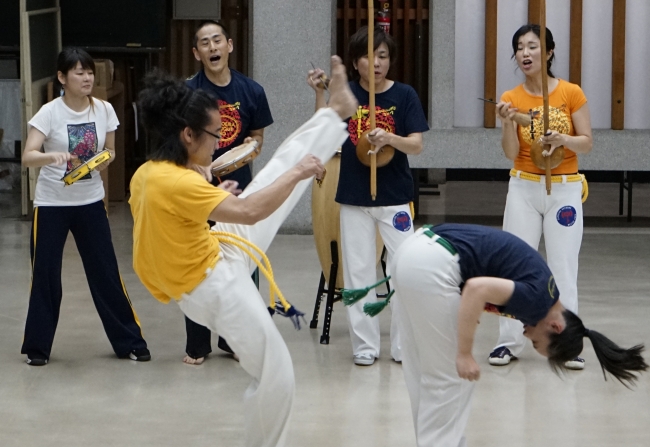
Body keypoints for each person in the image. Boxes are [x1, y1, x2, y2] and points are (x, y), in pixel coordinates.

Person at [130, 56, 356, 447]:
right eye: (214, 134)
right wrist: (300, 174)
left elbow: (174, 215)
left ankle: (335, 114)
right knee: (277, 373)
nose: (220, 142)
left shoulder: (149, 173)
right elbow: (252, 212)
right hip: (214, 287)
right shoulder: (182, 183)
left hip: (211, 252)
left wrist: (214, 195)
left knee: (267, 179)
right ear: (188, 134)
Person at [379, 223, 647, 447]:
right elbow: (476, 289)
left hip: (413, 250)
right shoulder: (536, 301)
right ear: (555, 327)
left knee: (423, 370)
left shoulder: (547, 290)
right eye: (536, 341)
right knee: (452, 375)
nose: (526, 334)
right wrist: (464, 352)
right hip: (431, 265)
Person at [20, 47, 150, 366]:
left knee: (105, 272)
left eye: (89, 71)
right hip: (51, 204)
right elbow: (28, 156)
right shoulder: (49, 113)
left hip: (90, 202)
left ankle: (130, 342)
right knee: (46, 274)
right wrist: (52, 157)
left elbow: (110, 151)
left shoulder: (104, 109)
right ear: (62, 78)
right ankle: (37, 349)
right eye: (78, 72)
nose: (87, 77)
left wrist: (100, 161)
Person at [307, 26, 429, 366]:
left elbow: (416, 145)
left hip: (395, 196)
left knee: (404, 269)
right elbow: (324, 133)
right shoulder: (346, 96)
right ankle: (364, 345)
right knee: (359, 273)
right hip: (355, 196)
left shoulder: (404, 96)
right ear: (355, 61)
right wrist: (320, 93)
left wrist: (390, 138)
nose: (375, 63)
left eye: (382, 56)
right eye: (367, 56)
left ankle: (404, 346)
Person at [491, 24, 593, 369]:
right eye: (520, 47)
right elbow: (509, 153)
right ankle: (508, 341)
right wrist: (507, 123)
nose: (525, 53)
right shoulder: (511, 97)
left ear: (548, 52)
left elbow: (587, 142)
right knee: (514, 265)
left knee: (563, 266)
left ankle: (569, 343)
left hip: (563, 186)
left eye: (533, 46)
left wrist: (563, 140)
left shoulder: (570, 93)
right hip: (523, 186)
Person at [183, 20, 274, 365]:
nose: (212, 47)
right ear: (196, 53)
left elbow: (257, 138)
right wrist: (196, 168)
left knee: (241, 261)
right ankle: (197, 344)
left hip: (240, 190)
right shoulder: (189, 92)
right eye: (204, 43)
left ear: (230, 45)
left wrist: (248, 149)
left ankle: (236, 339)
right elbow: (180, 139)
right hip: (197, 190)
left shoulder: (251, 90)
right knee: (197, 263)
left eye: (217, 40)